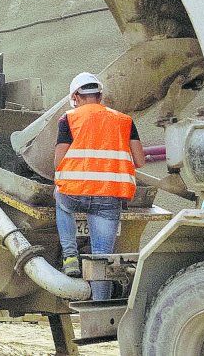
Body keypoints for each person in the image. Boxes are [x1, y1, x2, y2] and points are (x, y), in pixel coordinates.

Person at [54, 72, 146, 300]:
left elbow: (58, 161)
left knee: (61, 200)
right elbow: (140, 161)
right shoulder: (124, 120)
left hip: (74, 193)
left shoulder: (69, 118)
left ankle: (70, 257)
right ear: (100, 95)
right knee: (102, 260)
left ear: (76, 96)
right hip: (110, 196)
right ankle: (100, 308)